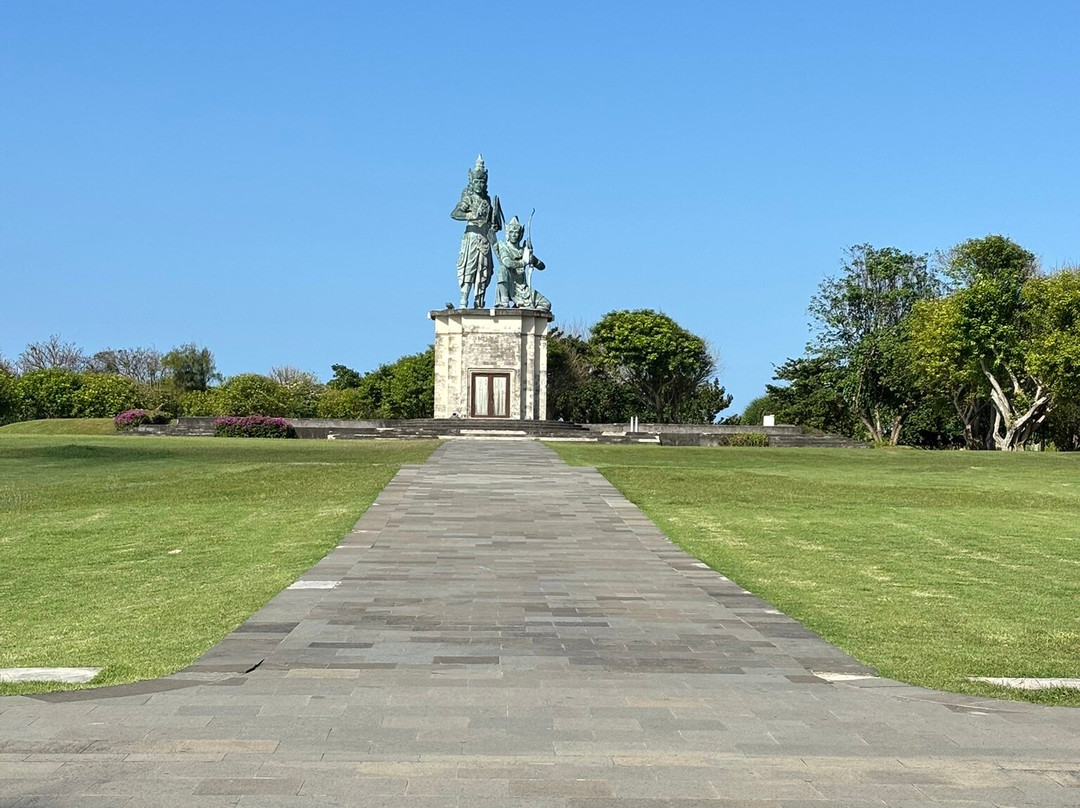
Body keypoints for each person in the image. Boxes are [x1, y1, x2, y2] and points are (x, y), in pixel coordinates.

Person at [450, 155, 499, 308]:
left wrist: (494, 224)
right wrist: (469, 215)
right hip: (471, 237)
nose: (479, 184)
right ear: (472, 182)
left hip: (485, 239)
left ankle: (479, 302)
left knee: (483, 271)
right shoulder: (469, 199)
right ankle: (464, 299)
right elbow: (455, 213)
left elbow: (493, 222)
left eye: (482, 182)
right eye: (477, 181)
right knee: (469, 269)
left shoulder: (487, 200)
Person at [494, 215, 550, 311]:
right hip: (509, 284)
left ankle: (529, 313)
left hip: (523, 288)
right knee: (502, 270)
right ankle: (504, 301)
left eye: (516, 232)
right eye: (511, 232)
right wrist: (523, 262)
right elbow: (507, 263)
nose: (514, 235)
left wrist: (534, 260)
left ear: (520, 234)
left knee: (546, 304)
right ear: (507, 234)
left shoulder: (524, 251)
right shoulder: (503, 246)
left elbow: (542, 266)